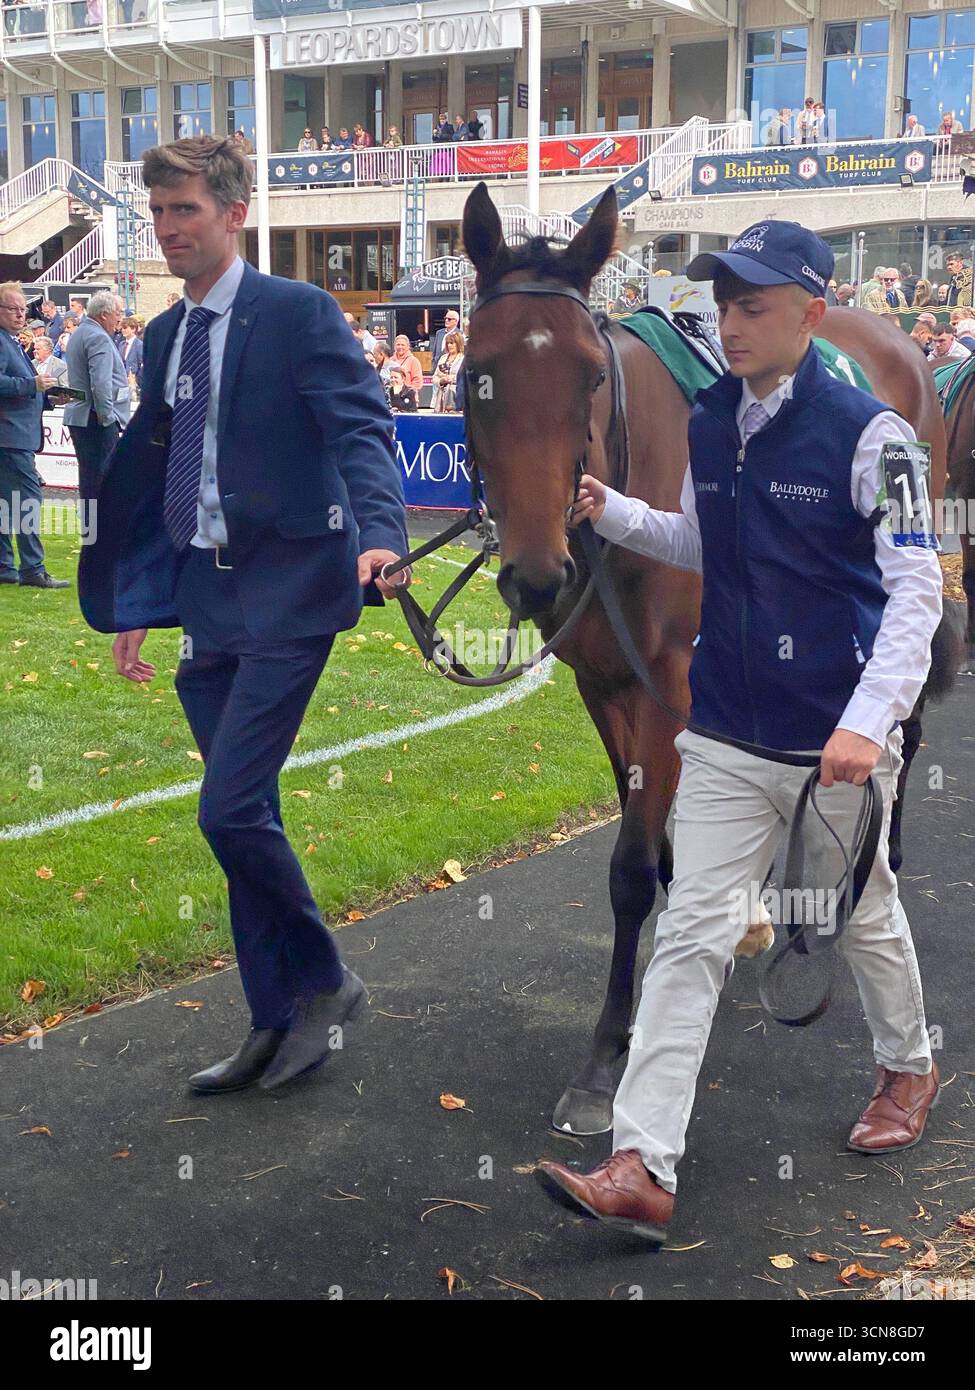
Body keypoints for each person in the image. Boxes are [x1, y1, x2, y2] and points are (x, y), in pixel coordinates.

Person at [536, 219, 943, 1243]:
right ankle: (640, 1163)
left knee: (858, 914)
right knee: (690, 934)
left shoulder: (875, 436)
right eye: (725, 302)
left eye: (754, 304)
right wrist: (612, 511)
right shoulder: (713, 417)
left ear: (813, 313)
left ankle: (908, 1065)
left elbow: (917, 589)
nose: (733, 320)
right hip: (720, 729)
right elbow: (692, 537)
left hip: (832, 742)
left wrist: (866, 723)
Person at [78, 134, 409, 1095]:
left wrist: (378, 536)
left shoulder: (299, 314)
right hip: (204, 595)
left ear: (234, 214)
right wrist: (142, 594)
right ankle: (276, 1016)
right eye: (158, 211)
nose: (168, 228)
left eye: (185, 210)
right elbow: (161, 473)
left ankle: (324, 983)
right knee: (242, 819)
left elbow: (360, 429)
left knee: (226, 808)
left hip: (292, 594)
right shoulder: (164, 334)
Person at [0, 281, 70, 589]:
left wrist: (49, 398)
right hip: (10, 437)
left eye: (22, 309)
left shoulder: (12, 340)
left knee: (5, 503)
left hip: (13, 435)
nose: (20, 315)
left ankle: (5, 566)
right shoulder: (3, 341)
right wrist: (33, 385)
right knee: (28, 499)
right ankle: (32, 568)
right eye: (13, 309)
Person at [63, 291, 130, 498]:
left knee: (89, 480)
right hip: (96, 420)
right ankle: (100, 528)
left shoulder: (80, 334)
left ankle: (90, 528)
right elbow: (100, 384)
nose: (119, 318)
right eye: (117, 313)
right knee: (103, 481)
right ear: (104, 314)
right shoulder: (98, 337)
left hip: (83, 417)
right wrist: (107, 418)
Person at [431, 331, 464, 413]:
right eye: (448, 343)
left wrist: (451, 378)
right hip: (441, 397)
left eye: (452, 343)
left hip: (455, 396)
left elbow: (465, 378)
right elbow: (435, 377)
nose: (449, 345)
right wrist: (441, 381)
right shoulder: (443, 358)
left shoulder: (463, 358)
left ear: (458, 344)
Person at [118, 315, 144, 388]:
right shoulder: (121, 344)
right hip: (122, 381)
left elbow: (142, 364)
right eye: (122, 328)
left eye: (125, 328)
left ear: (133, 329)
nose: (123, 330)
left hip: (135, 382)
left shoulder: (139, 345)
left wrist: (137, 378)